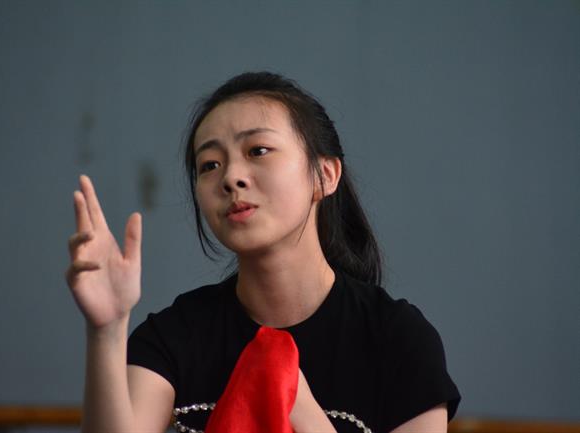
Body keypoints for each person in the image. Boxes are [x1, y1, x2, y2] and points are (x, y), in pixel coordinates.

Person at [65, 71, 461, 433]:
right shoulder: (176, 335)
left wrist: (294, 400)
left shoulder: (399, 339)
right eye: (210, 165)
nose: (231, 178)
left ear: (325, 175)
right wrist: (107, 330)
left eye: (258, 151)